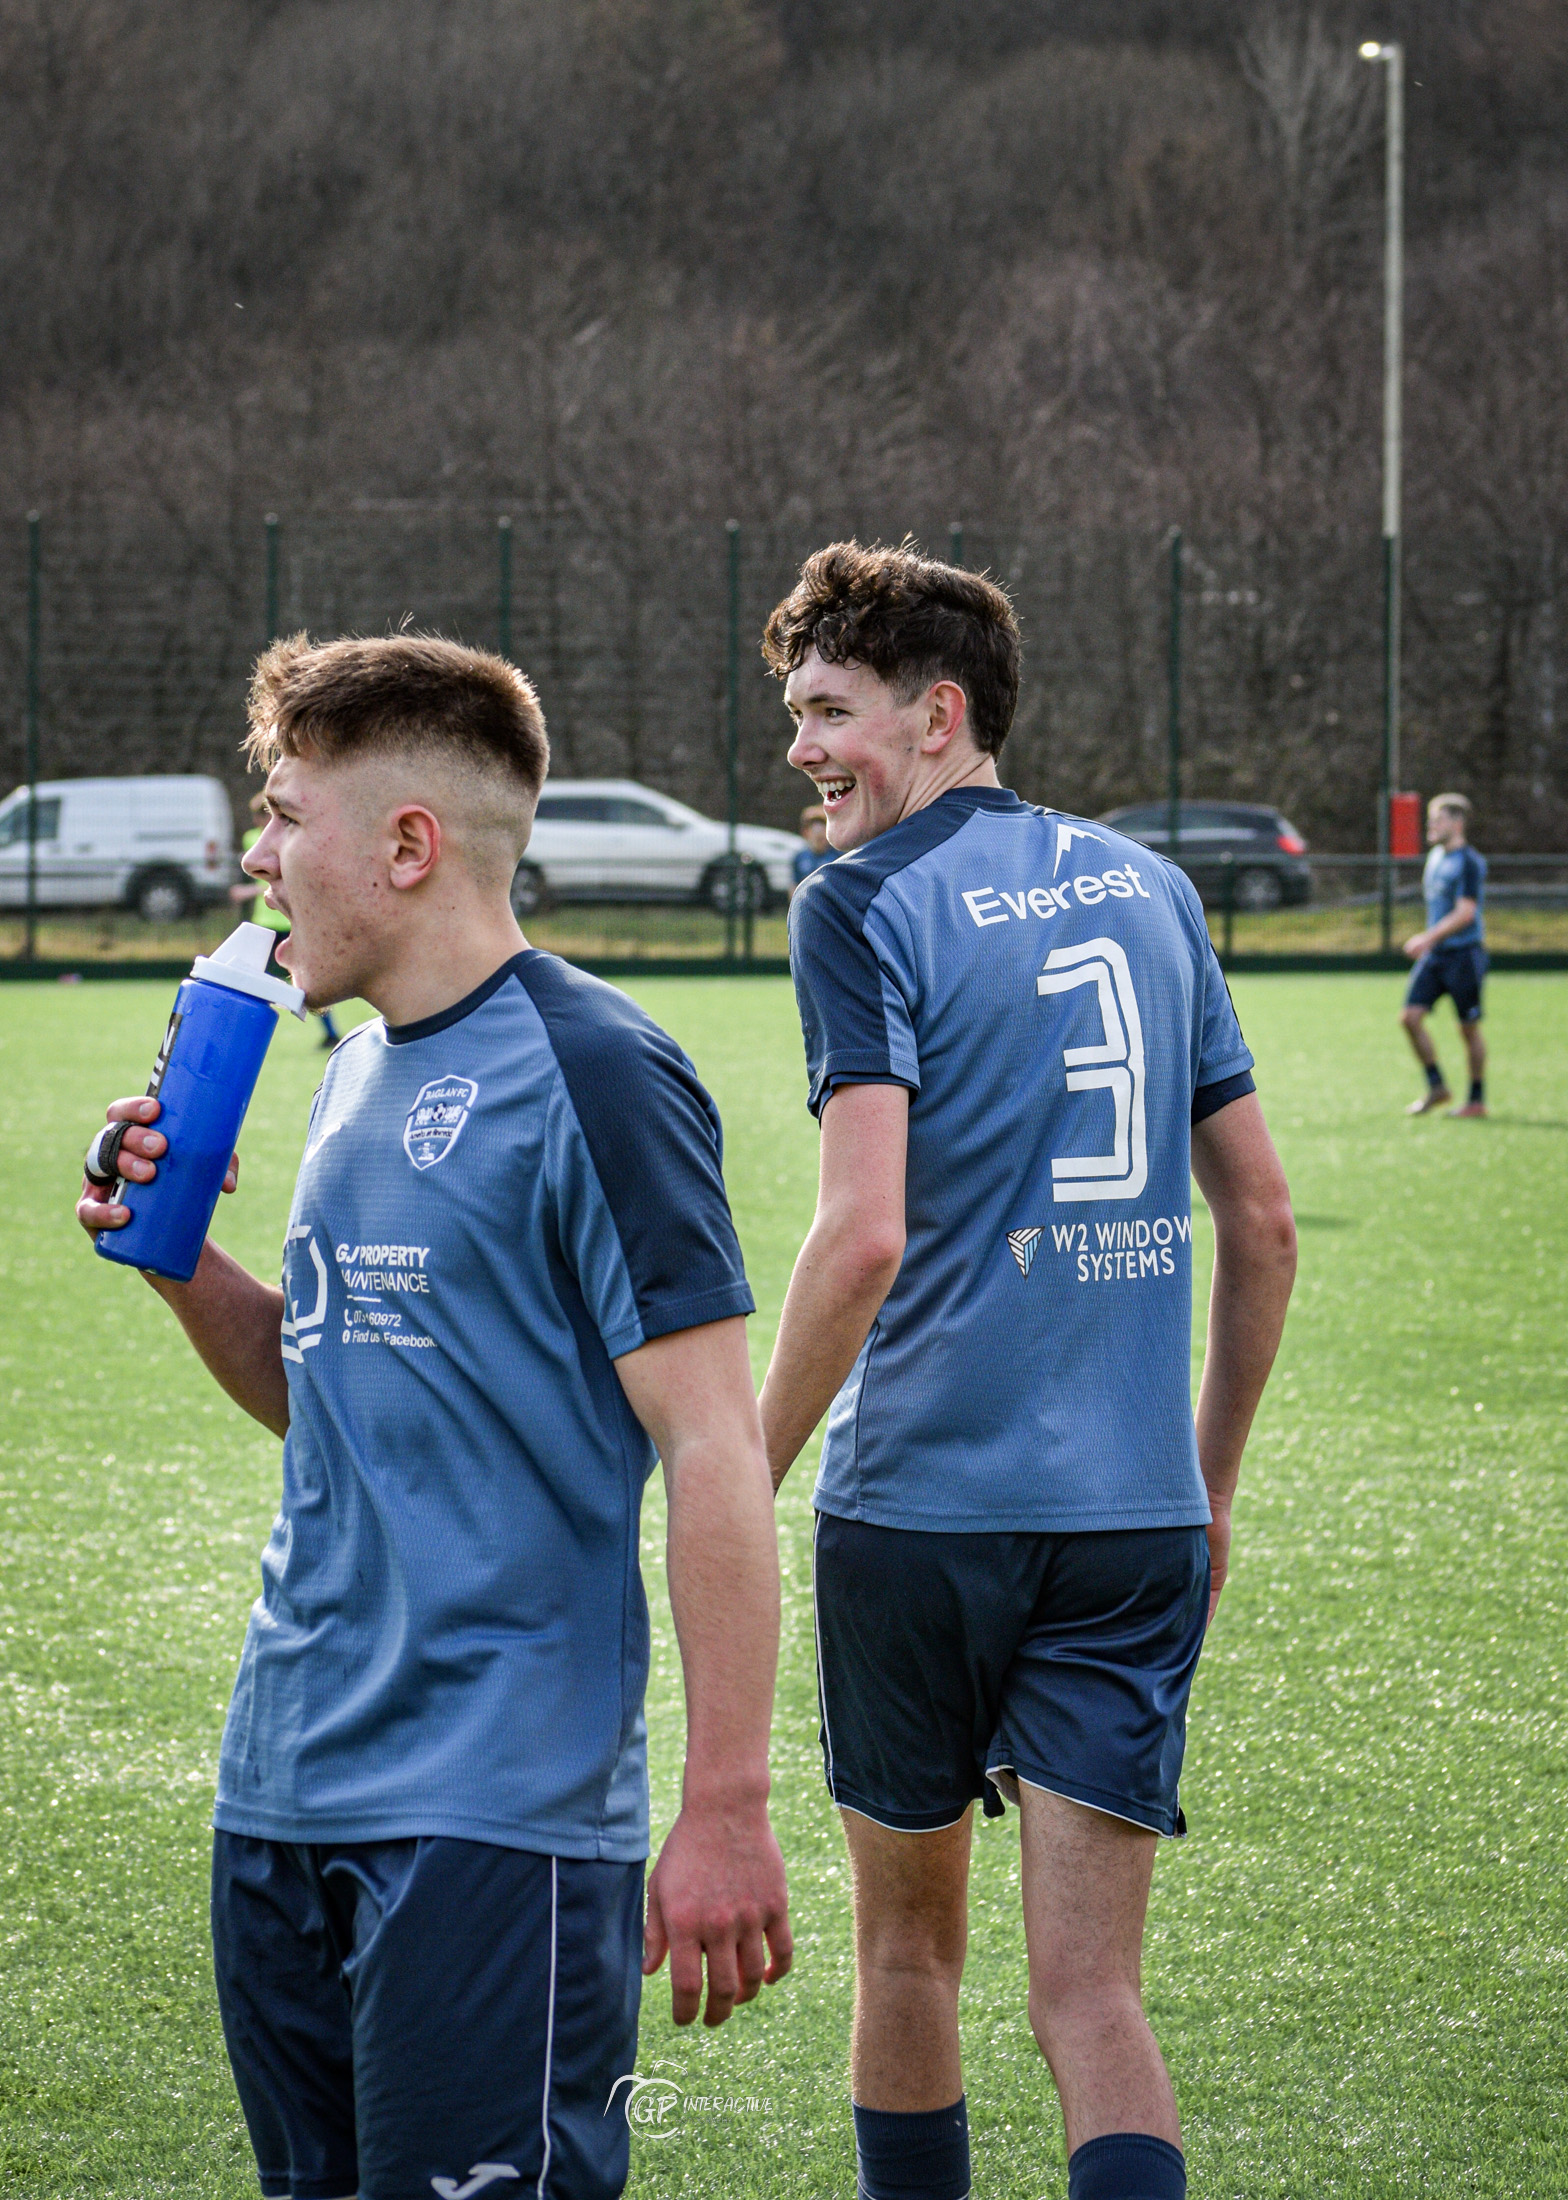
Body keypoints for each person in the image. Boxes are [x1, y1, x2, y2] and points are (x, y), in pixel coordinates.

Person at [76, 633, 791, 2200]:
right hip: (279, 1788)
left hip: (497, 1824)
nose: (252, 857)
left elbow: (716, 1448)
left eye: (280, 815)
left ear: (408, 844)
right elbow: (324, 1396)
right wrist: (180, 1255)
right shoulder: (345, 1076)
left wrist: (727, 1803)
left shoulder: (601, 1070)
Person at [754, 543, 1296, 2200]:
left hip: (922, 1515)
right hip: (1131, 1521)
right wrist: (1203, 1485)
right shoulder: (1153, 889)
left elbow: (860, 1242)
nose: (799, 750)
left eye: (829, 711)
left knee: (911, 1963)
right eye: (790, 714)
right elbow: (1262, 1220)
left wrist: (741, 1463)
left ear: (938, 716)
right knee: (1095, 1993)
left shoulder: (856, 905)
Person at [1400, 792, 1489, 1117]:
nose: (1431, 826)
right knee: (1410, 1018)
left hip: (1464, 956)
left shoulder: (1469, 862)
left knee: (1467, 1029)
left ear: (1457, 822)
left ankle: (1476, 1100)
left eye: (1437, 819)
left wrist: (1427, 937)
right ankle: (1437, 1086)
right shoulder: (1435, 858)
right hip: (1435, 957)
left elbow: (1466, 913)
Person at [233, 788, 341, 1049]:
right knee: (249, 979)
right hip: (264, 921)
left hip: (286, 920)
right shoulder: (252, 840)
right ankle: (243, 1032)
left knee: (306, 984)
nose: (260, 824)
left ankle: (330, 1031)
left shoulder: (289, 839)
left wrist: (252, 890)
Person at [792, 801, 836, 892]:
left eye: (822, 827)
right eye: (814, 828)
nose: (818, 833)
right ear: (806, 832)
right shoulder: (800, 857)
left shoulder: (837, 856)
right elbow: (793, 886)